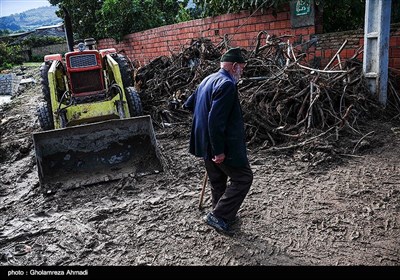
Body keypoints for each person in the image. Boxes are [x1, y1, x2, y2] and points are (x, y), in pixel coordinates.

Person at [183, 47, 253, 236]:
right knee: (243, 178)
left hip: (204, 142)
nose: (243, 72)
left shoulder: (207, 79)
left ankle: (222, 213)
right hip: (220, 145)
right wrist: (219, 150)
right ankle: (219, 216)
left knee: (218, 180)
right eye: (242, 68)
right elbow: (215, 121)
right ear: (235, 66)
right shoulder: (227, 84)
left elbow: (189, 105)